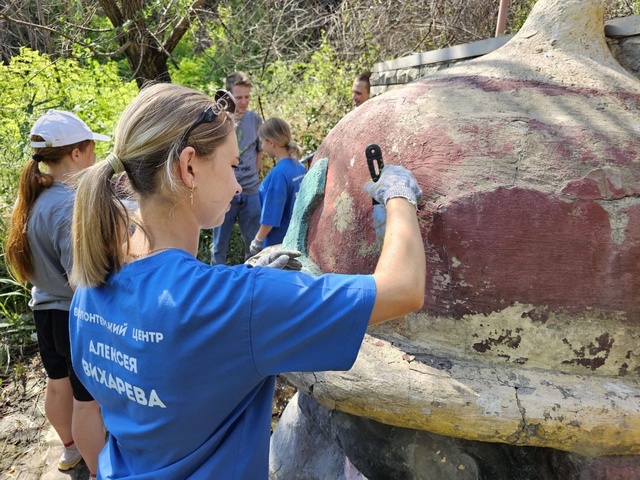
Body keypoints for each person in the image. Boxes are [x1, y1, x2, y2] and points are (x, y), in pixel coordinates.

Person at [68, 82, 425, 479]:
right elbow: (403, 289)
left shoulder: (90, 283)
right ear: (189, 168)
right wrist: (398, 197)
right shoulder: (239, 303)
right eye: (233, 165)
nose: (239, 184)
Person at [4, 110, 108, 477]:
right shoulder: (68, 204)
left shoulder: (34, 197)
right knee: (88, 402)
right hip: (72, 316)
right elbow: (81, 278)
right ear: (76, 154)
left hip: (44, 311)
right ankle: (98, 470)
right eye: (91, 148)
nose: (95, 156)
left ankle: (69, 449)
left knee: (56, 382)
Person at [211, 71, 263, 264]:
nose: (243, 102)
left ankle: (254, 286)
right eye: (239, 97)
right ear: (229, 96)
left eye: (247, 97)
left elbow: (259, 150)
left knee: (254, 246)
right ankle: (216, 288)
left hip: (250, 190)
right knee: (219, 247)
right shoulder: (220, 122)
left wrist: (254, 174)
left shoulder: (255, 120)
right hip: (225, 191)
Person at [249, 118, 307, 255]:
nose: (262, 147)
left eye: (262, 142)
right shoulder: (299, 167)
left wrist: (257, 240)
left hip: (277, 244)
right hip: (295, 238)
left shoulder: (279, 174)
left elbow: (271, 215)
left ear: (271, 142)